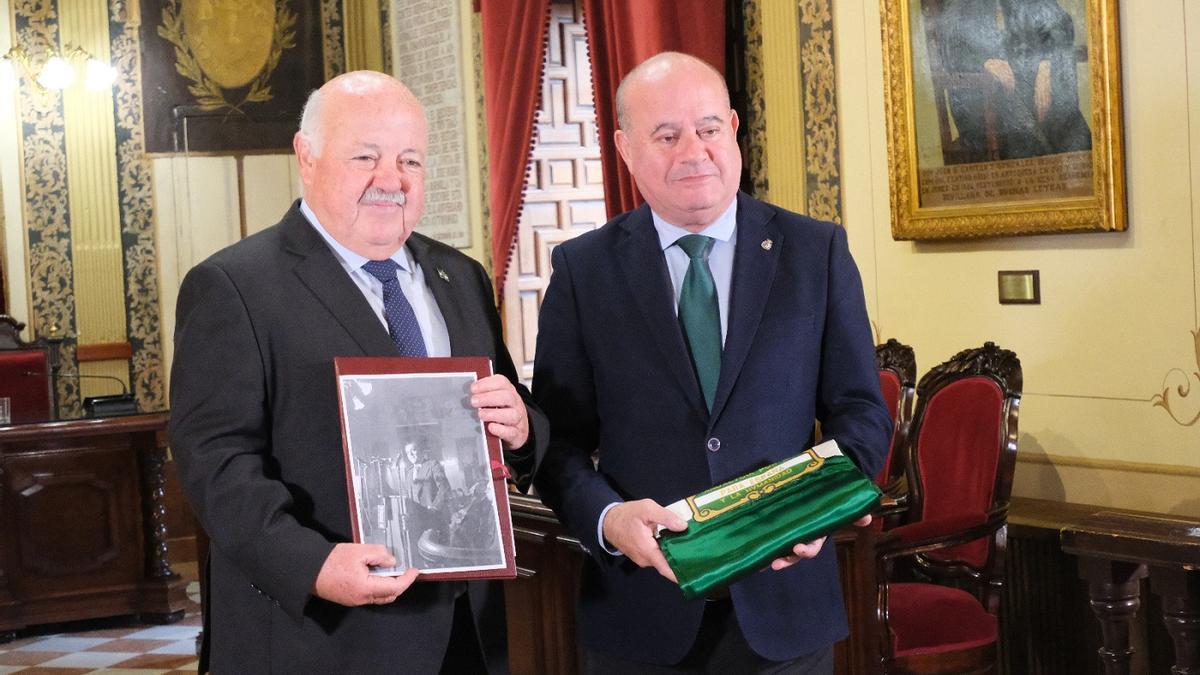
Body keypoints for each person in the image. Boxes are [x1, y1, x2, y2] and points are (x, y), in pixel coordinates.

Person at [170, 70, 547, 674]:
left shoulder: (462, 276)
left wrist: (523, 427)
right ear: (306, 156)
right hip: (318, 639)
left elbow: (509, 414)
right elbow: (216, 462)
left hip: (464, 633)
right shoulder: (235, 287)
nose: (390, 180)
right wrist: (311, 566)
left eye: (410, 161)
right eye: (365, 156)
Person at [532, 52, 891, 673]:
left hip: (786, 614)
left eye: (708, 129)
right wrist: (609, 519)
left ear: (732, 129)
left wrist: (817, 511)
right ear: (625, 148)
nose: (692, 151)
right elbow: (555, 445)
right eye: (666, 135)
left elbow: (860, 411)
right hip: (641, 615)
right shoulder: (582, 271)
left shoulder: (816, 252)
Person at [936, 0, 1091, 164]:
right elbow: (950, 47)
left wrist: (1046, 65)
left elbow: (1059, 24)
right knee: (1027, 143)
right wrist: (984, 63)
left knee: (1074, 137)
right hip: (988, 105)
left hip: (1033, 94)